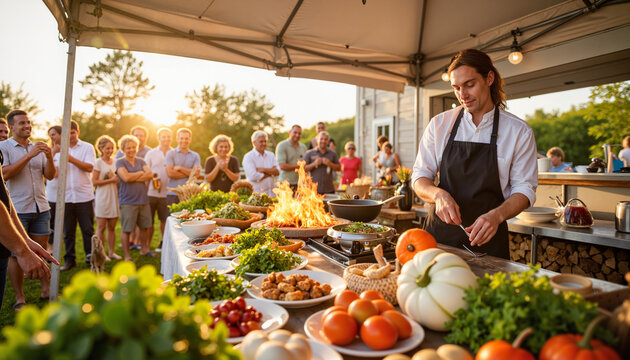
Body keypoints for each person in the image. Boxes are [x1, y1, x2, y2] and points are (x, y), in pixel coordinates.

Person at [411, 49, 537, 259]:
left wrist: (497, 216)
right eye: (456, 88)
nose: (462, 95)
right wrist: (438, 195)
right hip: (438, 242)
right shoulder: (439, 125)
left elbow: (525, 190)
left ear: (489, 78)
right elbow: (419, 178)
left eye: (469, 85)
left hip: (489, 246)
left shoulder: (518, 131)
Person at [0, 110, 56, 309]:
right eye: (22, 123)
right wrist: (29, 156)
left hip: (41, 206)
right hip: (16, 209)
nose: (27, 126)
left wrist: (49, 158)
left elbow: (50, 176)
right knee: (17, 253)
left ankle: (45, 289)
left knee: (40, 250)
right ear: (12, 127)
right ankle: (20, 297)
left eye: (29, 122)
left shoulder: (37, 146)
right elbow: (4, 175)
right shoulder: (3, 148)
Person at [58, 120, 97, 271]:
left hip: (84, 196)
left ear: (77, 132)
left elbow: (89, 167)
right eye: (67, 133)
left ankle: (91, 256)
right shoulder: (58, 149)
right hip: (65, 197)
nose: (70, 136)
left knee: (87, 229)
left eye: (73, 132)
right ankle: (69, 260)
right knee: (68, 231)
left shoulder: (87, 147)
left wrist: (70, 159)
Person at [116, 135, 154, 260]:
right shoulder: (120, 162)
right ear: (123, 149)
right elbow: (125, 178)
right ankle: (127, 256)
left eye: (133, 147)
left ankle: (144, 250)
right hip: (128, 201)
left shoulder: (141, 161)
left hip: (143, 199)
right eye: (128, 148)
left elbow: (149, 175)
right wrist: (139, 173)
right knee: (127, 229)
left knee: (144, 227)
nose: (131, 150)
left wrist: (132, 176)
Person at [92, 135, 120, 260]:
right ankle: (101, 253)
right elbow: (94, 182)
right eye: (107, 148)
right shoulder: (98, 162)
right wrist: (111, 180)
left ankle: (111, 252)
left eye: (111, 148)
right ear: (101, 148)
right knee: (101, 227)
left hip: (114, 197)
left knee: (112, 228)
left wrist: (116, 180)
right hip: (102, 197)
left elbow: (119, 180)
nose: (110, 151)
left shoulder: (116, 162)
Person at [145, 128, 172, 252]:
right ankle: (147, 245)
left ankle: (163, 243)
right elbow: (145, 170)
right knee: (149, 221)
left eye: (168, 136)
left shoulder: (173, 152)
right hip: (151, 192)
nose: (166, 139)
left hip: (167, 193)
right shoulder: (151, 153)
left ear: (171, 138)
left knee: (164, 220)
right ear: (159, 138)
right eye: (163, 136)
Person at [165, 128, 201, 206]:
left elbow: (197, 175)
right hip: (173, 194)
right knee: (171, 218)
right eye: (181, 138)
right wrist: (190, 173)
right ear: (177, 139)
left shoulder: (195, 155)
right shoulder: (170, 153)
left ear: (190, 139)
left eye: (186, 138)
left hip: (190, 195)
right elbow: (170, 173)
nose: (184, 141)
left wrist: (180, 168)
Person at [242, 131, 279, 197]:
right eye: (261, 142)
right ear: (254, 143)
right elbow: (253, 176)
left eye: (265, 141)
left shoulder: (271, 155)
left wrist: (263, 170)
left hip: (272, 194)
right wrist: (270, 173)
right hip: (257, 196)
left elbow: (277, 171)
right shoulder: (248, 157)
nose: (264, 143)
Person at [45, 126, 62, 254]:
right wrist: (53, 153)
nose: (52, 137)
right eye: (50, 134)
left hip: (66, 194)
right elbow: (52, 174)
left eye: (54, 134)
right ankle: (50, 247)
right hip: (51, 194)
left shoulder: (68, 151)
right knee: (51, 223)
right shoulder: (48, 151)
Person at [276, 125, 307, 189]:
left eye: (299, 133)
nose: (297, 135)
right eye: (295, 132)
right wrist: (299, 166)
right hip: (285, 184)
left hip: (299, 184)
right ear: (290, 132)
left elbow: (305, 164)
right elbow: (282, 166)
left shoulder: (303, 147)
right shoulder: (282, 145)